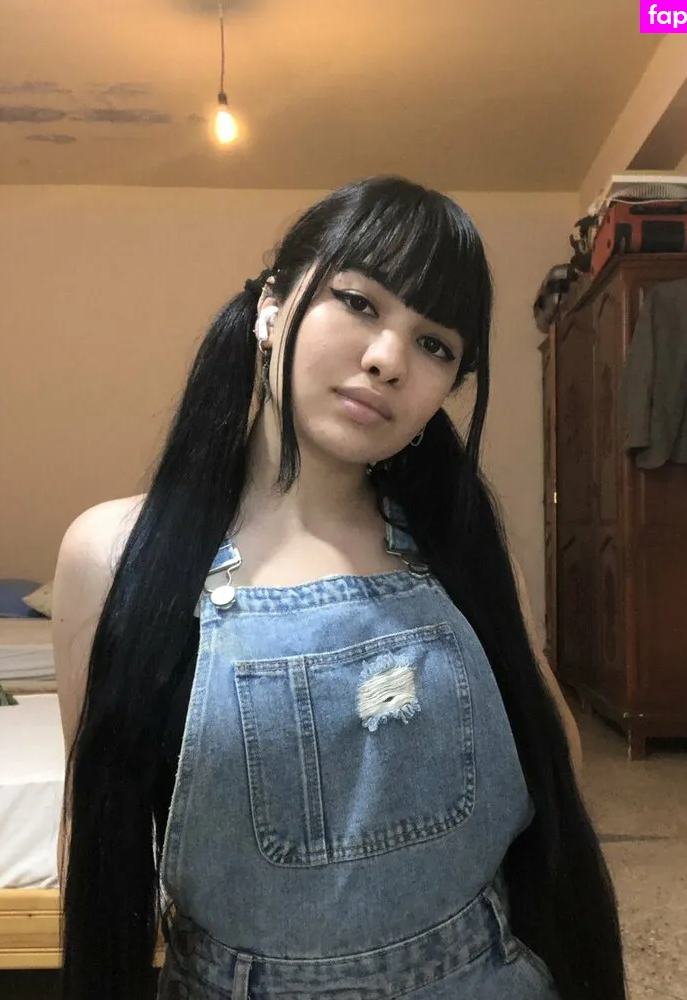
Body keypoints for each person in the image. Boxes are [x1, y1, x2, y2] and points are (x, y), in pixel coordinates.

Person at [54, 176, 626, 1000]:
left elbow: (550, 763)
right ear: (270, 307)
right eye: (358, 302)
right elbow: (95, 837)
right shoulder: (115, 553)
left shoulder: (461, 547)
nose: (388, 360)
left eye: (435, 345)